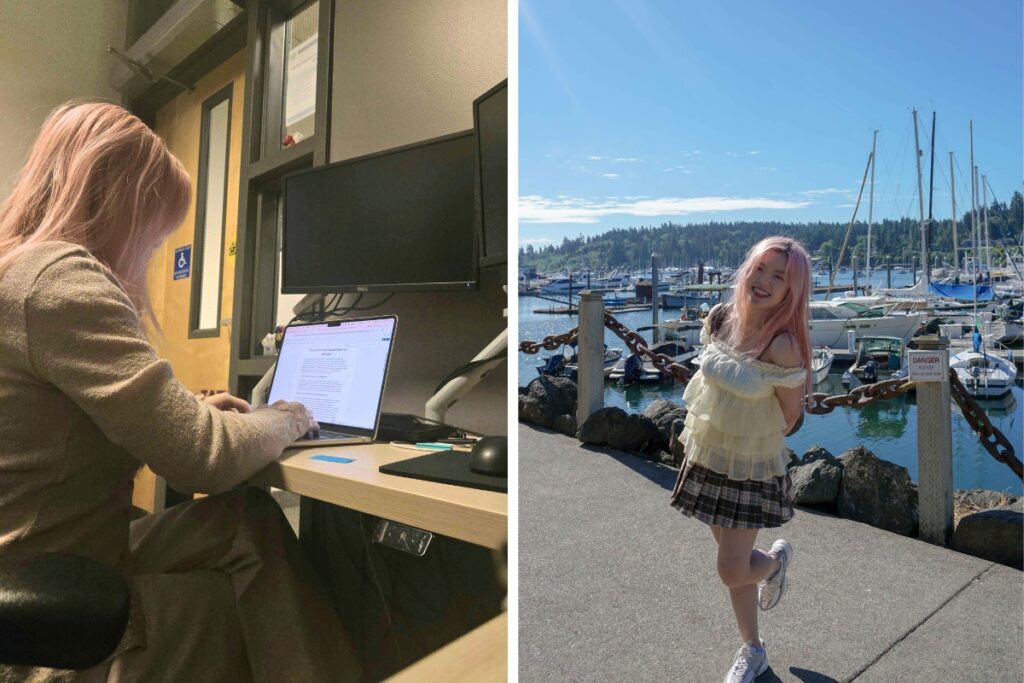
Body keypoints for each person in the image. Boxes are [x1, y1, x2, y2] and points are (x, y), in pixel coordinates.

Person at [0, 102, 358, 681]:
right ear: (120, 205)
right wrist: (289, 415)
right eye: (155, 231)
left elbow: (61, 427)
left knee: (245, 519)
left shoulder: (17, 270)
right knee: (235, 604)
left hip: (39, 565)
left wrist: (189, 411)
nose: (152, 251)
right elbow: (203, 459)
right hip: (41, 611)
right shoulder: (59, 279)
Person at [669, 236, 811, 683]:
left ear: (793, 291)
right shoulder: (721, 319)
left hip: (749, 466)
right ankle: (754, 649)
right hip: (708, 454)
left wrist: (748, 434)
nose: (765, 282)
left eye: (779, 277)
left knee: (733, 567)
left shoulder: (783, 345)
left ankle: (775, 564)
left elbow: (791, 417)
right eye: (760, 269)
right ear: (745, 269)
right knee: (734, 565)